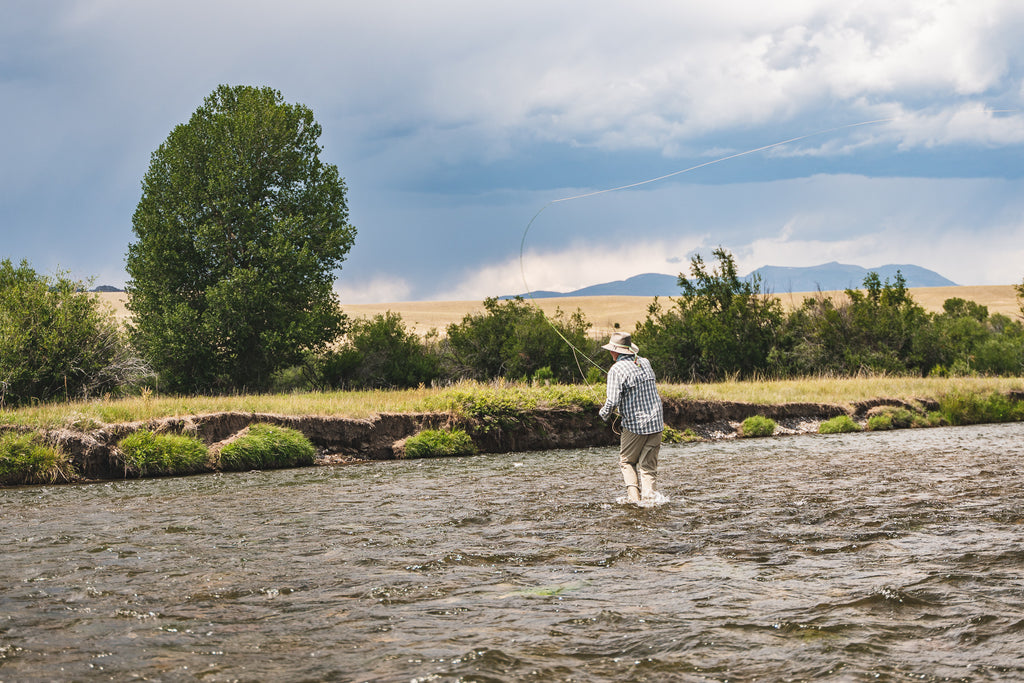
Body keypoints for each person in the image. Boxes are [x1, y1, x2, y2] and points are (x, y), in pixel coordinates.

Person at [598, 331, 664, 504]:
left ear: (615, 351)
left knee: (627, 462)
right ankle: (650, 502)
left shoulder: (616, 369)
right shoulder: (645, 362)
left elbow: (612, 401)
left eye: (611, 349)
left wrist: (603, 414)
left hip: (636, 425)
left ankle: (634, 501)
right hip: (657, 423)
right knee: (648, 467)